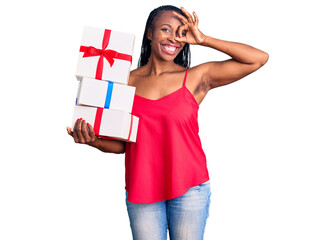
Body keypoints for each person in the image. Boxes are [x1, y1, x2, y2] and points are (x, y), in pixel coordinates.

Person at [67, 5, 268, 240]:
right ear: (150, 33)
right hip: (142, 189)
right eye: (165, 29)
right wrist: (94, 141)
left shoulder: (195, 78)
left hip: (189, 188)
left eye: (180, 32)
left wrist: (204, 39)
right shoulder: (124, 82)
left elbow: (258, 59)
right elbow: (126, 144)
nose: (174, 37)